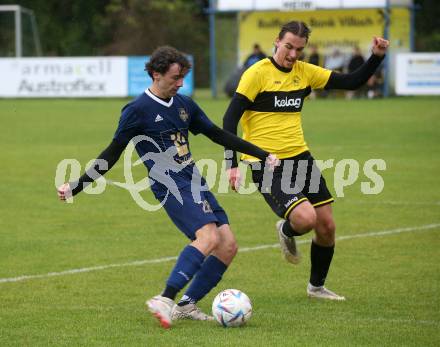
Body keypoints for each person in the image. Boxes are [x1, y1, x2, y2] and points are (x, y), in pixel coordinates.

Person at [57, 46, 278, 328]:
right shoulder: (137, 111)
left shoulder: (185, 105)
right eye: (175, 77)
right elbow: (112, 152)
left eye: (183, 77)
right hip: (168, 184)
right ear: (156, 74)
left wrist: (261, 153)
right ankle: (165, 298)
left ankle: (186, 305)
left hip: (193, 179)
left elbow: (217, 134)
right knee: (208, 237)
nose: (181, 83)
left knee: (228, 246)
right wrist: (76, 186)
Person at [223, 21, 389, 301]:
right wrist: (232, 162)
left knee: (327, 226)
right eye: (288, 47)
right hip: (266, 162)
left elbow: (351, 81)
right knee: (306, 218)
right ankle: (286, 228)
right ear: (277, 41)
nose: (292, 54)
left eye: (298, 49)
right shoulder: (256, 74)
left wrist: (376, 56)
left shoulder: (305, 72)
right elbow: (229, 119)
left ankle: (316, 287)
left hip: (300, 157)